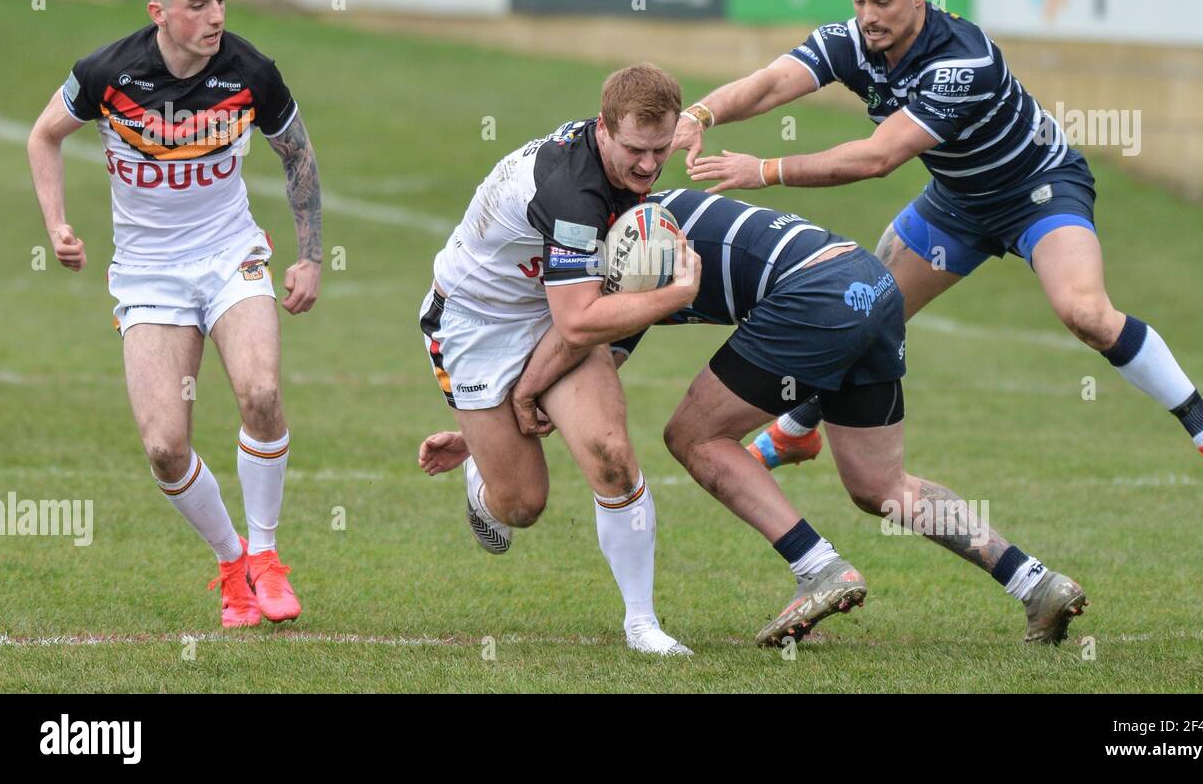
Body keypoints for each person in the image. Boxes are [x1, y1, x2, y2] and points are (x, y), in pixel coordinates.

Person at [677, 0, 1203, 509]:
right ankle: (798, 429)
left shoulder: (963, 61)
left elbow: (879, 157)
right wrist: (702, 113)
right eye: (858, 0)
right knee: (862, 311)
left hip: (1038, 189)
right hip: (957, 202)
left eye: (882, 1)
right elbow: (773, 82)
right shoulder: (852, 41)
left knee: (1085, 314)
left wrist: (767, 169)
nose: (868, 16)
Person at [422, 189, 1088, 648]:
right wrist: (487, 435)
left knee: (694, 436)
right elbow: (596, 373)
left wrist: (505, 408)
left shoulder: (622, 238)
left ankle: (819, 567)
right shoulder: (641, 226)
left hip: (814, 297)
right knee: (880, 486)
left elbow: (578, 342)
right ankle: (1035, 582)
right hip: (870, 286)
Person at [26, 0, 320, 628]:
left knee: (261, 391)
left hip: (229, 255)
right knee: (164, 445)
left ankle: (266, 555)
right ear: (158, 12)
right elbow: (44, 136)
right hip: (149, 272)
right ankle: (231, 562)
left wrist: (309, 256)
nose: (217, 15)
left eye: (222, 0)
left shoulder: (251, 71)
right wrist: (57, 225)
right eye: (199, 4)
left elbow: (298, 155)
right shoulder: (107, 72)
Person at [417, 63, 700, 655]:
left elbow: (583, 315)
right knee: (521, 506)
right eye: (635, 151)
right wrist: (675, 295)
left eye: (660, 149)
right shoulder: (571, 191)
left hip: (551, 307)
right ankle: (482, 473)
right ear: (604, 128)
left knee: (611, 454)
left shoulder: (626, 157)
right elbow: (579, 323)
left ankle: (642, 623)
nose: (648, 165)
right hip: (474, 321)